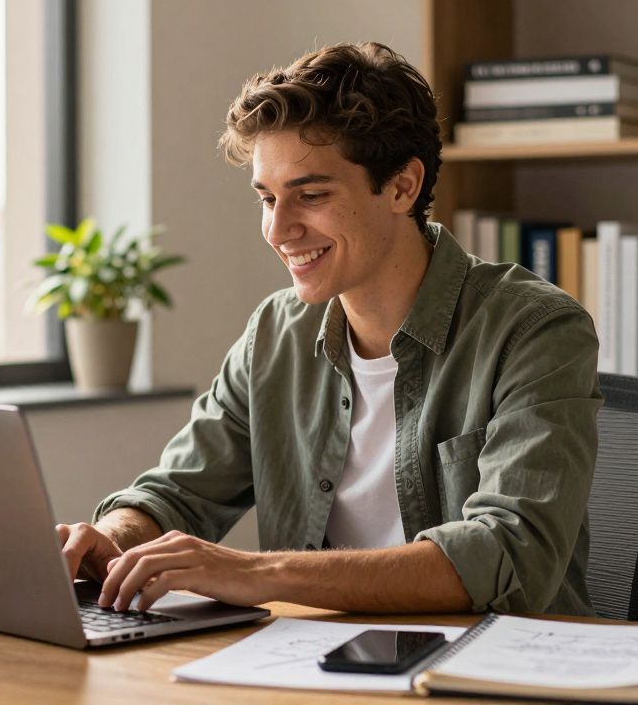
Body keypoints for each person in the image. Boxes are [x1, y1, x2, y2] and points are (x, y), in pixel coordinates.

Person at [57, 42, 602, 617]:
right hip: (316, 663)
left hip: (492, 669)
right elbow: (176, 493)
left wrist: (257, 571)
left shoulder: (536, 329)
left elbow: (508, 553)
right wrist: (114, 539)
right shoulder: (276, 333)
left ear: (401, 187)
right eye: (267, 199)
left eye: (310, 196)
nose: (278, 229)